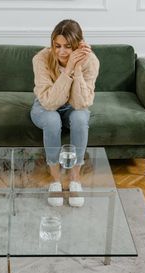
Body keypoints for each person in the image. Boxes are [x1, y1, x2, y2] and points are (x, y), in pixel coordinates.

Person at [30, 19, 100, 207]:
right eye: (57, 46)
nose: (61, 51)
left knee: (79, 118)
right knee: (52, 120)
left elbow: (81, 103)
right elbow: (50, 103)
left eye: (68, 47)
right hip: (45, 106)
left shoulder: (90, 61)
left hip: (73, 106)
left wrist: (76, 67)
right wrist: (67, 70)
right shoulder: (41, 59)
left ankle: (75, 179)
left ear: (78, 45)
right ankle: (55, 181)